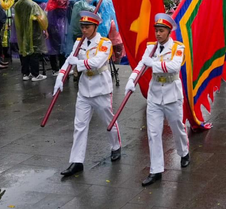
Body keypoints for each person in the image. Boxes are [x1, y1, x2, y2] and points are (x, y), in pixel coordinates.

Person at [126, 13, 190, 186]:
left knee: (177, 127)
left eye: (162, 31)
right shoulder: (151, 48)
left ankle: (184, 151)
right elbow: (141, 65)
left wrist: (152, 63)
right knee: (153, 133)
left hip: (172, 94)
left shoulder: (178, 47)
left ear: (169, 32)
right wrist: (132, 79)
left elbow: (173, 66)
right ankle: (156, 170)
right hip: (154, 94)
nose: (158, 34)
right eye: (156, 31)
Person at [55, 11, 121, 177]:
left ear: (95, 27)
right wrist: (61, 76)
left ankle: (115, 146)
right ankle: (76, 161)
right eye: (82, 27)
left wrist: (77, 63)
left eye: (87, 27)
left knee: (109, 122)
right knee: (79, 126)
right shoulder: (79, 43)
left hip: (101, 89)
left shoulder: (104, 43)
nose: (83, 30)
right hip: (84, 90)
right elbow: (69, 60)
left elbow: (96, 62)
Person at [14, 0, 48, 81]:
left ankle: (25, 73)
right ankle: (35, 74)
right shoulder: (32, 5)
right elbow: (40, 18)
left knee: (24, 50)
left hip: (21, 31)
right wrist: (44, 28)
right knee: (34, 51)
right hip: (33, 31)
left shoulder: (17, 4)